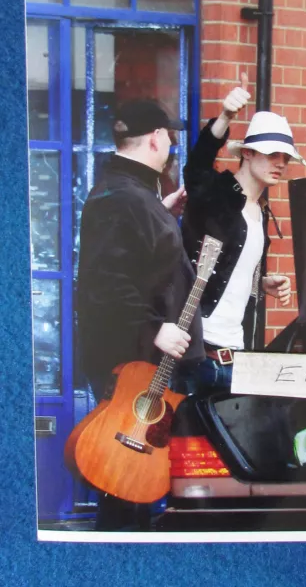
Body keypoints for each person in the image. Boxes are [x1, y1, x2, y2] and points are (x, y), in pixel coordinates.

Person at [76, 99, 204, 531]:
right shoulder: (122, 197)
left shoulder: (129, 193)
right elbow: (106, 282)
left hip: (137, 360)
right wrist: (155, 330)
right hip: (130, 360)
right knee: (125, 481)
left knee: (131, 482)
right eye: (169, 136)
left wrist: (160, 214)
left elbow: (131, 257)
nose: (170, 143)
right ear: (156, 138)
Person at [178, 74, 305, 394]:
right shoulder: (216, 193)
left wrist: (260, 284)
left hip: (236, 355)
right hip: (198, 352)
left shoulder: (259, 212)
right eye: (272, 154)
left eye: (285, 157)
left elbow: (230, 270)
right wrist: (225, 117)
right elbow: (196, 167)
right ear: (247, 153)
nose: (280, 163)